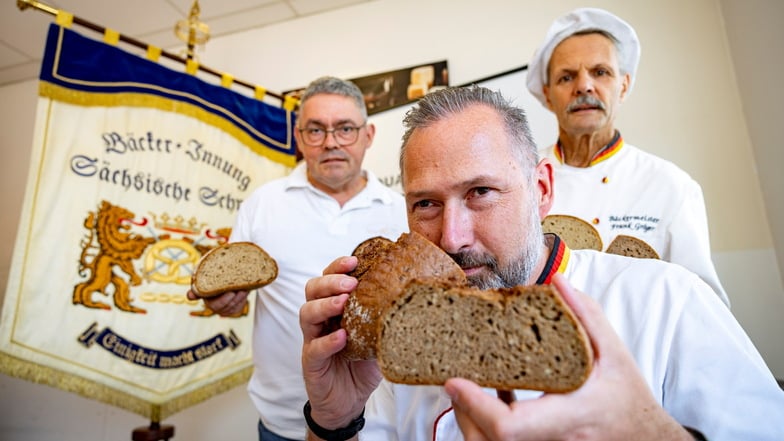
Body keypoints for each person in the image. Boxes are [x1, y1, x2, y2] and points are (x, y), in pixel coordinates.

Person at [299, 85, 784, 440]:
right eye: (425, 203)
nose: (452, 236)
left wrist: (650, 433)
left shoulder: (665, 301)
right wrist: (334, 418)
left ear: (543, 189)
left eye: (481, 192)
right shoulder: (398, 346)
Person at [188, 76, 408, 440]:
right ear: (298, 137)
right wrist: (222, 302)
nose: (331, 142)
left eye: (345, 129)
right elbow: (231, 296)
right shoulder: (263, 203)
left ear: (368, 135)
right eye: (316, 130)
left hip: (381, 423)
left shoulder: (401, 211)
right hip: (281, 422)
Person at [525, 8, 729, 306]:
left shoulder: (670, 185)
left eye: (600, 72)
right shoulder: (522, 179)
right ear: (548, 94)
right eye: (566, 77)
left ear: (623, 85)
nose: (583, 86)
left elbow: (703, 305)